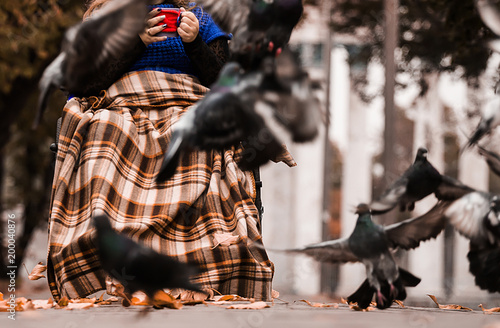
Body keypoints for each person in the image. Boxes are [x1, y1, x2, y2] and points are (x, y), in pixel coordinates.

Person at [46, 0, 295, 302]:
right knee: (106, 129)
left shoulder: (203, 19)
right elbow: (81, 84)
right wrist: (134, 43)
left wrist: (194, 44)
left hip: (186, 104)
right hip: (120, 108)